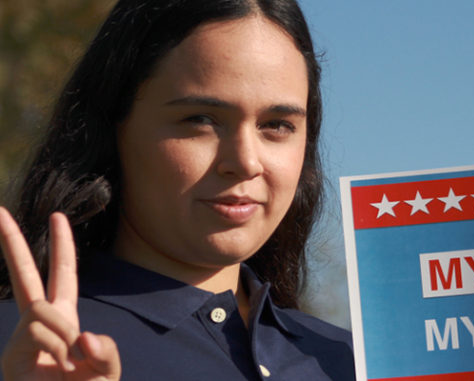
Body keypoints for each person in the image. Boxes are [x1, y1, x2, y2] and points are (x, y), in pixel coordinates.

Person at [0, 0, 355, 380]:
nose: (246, 161)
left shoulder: (353, 360)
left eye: (277, 125)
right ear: (112, 126)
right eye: (200, 120)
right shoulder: (24, 351)